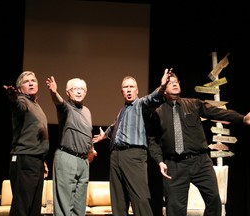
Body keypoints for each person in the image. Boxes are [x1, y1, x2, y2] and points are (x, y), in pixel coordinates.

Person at [148, 71, 250, 216]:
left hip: (200, 162)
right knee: (174, 209)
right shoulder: (158, 112)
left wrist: (242, 119)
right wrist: (159, 161)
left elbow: (217, 113)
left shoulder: (193, 104)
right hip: (174, 165)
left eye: (177, 82)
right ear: (164, 88)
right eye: (170, 83)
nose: (175, 84)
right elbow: (152, 140)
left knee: (214, 200)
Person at [92, 69, 171, 216]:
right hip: (116, 156)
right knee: (118, 200)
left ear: (137, 90)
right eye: (125, 87)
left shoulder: (140, 104)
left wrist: (162, 86)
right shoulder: (122, 111)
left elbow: (153, 98)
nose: (128, 90)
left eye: (131, 87)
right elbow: (115, 125)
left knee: (140, 198)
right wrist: (106, 135)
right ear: (122, 91)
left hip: (133, 155)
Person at [46, 76, 97, 216]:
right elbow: (59, 102)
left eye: (82, 89)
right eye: (75, 89)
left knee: (79, 207)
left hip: (83, 161)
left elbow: (87, 133)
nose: (79, 92)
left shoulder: (87, 111)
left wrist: (91, 149)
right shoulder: (66, 108)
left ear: (86, 92)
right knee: (64, 205)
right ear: (68, 92)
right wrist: (54, 93)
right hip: (67, 157)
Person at [3, 71, 49, 216]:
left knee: (34, 208)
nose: (30, 83)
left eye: (33, 80)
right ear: (20, 88)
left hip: (36, 160)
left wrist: (42, 160)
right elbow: (18, 106)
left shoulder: (36, 105)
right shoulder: (23, 101)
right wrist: (13, 98)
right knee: (22, 208)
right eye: (26, 81)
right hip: (25, 159)